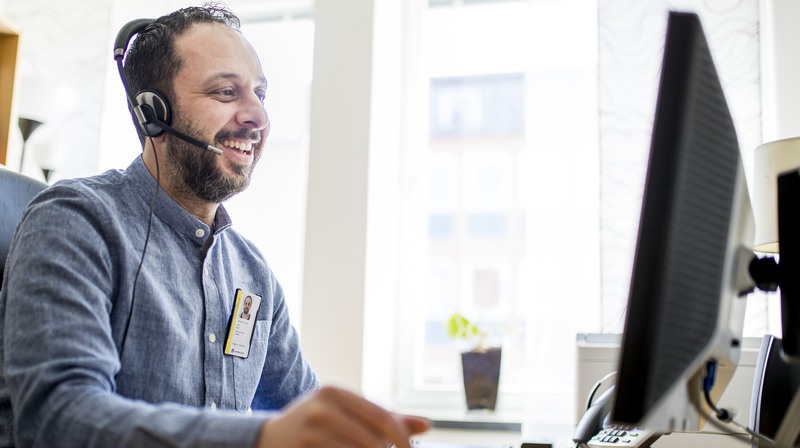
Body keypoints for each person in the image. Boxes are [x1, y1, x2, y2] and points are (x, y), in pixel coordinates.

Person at [0, 4, 428, 447]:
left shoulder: (251, 273)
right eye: (226, 92)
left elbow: (300, 414)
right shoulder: (75, 222)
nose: (258, 118)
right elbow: (57, 419)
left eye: (260, 95)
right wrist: (261, 437)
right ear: (154, 113)